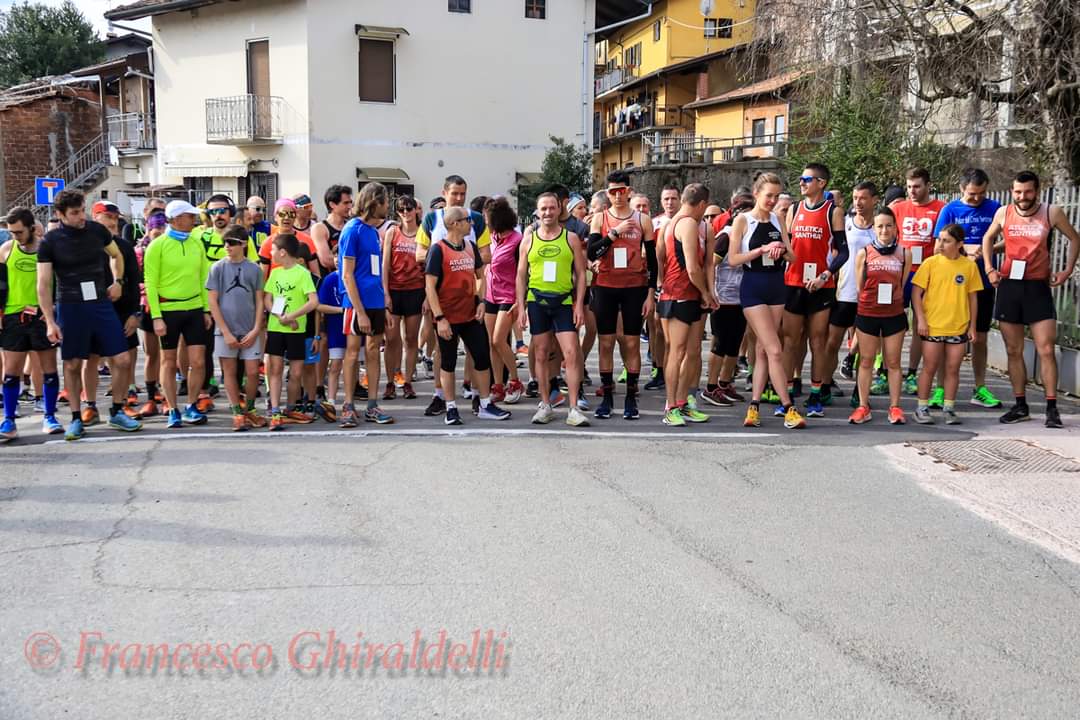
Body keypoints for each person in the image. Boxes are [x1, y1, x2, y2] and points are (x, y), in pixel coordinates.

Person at [36, 189, 142, 440]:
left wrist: (117, 281)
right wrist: (50, 321)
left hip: (100, 302)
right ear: (60, 214)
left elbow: (116, 255)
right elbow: (43, 283)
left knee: (123, 359)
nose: (81, 216)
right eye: (75, 213)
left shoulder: (97, 231)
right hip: (70, 305)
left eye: (82, 210)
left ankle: (117, 411)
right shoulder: (51, 241)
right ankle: (76, 417)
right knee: (73, 364)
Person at [983, 170, 1080, 428]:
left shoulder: (1052, 212)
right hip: (1009, 287)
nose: (1022, 197)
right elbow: (987, 237)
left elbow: (1073, 238)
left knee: (1046, 349)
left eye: (1027, 192)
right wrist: (990, 268)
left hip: (1037, 288)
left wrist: (1067, 270)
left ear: (1036, 191)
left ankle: (1051, 408)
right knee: (1013, 350)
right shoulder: (1004, 212)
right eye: (1017, 192)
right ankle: (1020, 405)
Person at [726, 173, 805, 430]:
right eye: (768, 195)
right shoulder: (743, 220)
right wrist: (760, 250)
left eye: (776, 196)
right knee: (775, 349)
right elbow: (734, 259)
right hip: (753, 287)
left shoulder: (778, 218)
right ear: (756, 193)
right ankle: (788, 407)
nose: (772, 201)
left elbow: (793, 257)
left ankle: (754, 406)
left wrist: (781, 248)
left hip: (776, 286)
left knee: (762, 350)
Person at [425, 206, 510, 424]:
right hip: (448, 317)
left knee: (482, 358)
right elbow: (430, 287)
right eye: (467, 220)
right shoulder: (438, 250)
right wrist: (440, 318)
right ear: (454, 224)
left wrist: (481, 300)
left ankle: (484, 404)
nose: (471, 223)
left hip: (471, 314)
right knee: (448, 362)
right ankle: (450, 408)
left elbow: (480, 276)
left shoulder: (471, 247)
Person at [415, 175, 492, 417]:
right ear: (444, 192)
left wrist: (463, 258)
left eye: (462, 193)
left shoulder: (476, 219)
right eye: (454, 193)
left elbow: (486, 256)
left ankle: (478, 396)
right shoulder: (431, 218)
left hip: (469, 296)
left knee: (476, 349)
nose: (459, 197)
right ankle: (441, 397)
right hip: (440, 296)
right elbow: (419, 254)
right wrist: (443, 257)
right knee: (442, 350)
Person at [587, 170, 655, 420]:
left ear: (629, 191)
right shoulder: (600, 218)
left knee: (631, 343)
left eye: (621, 191)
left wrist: (650, 294)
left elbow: (654, 261)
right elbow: (592, 253)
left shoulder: (642, 220)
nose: (617, 195)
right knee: (605, 343)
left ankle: (630, 397)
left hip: (634, 288)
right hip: (605, 286)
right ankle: (606, 398)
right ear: (608, 193)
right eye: (612, 191)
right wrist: (614, 234)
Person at [933, 168, 1003, 409]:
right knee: (948, 338)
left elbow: (1006, 239)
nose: (977, 198)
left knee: (980, 337)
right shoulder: (950, 210)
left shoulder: (995, 207)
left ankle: (980, 387)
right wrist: (964, 252)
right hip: (954, 284)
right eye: (972, 194)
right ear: (962, 189)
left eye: (982, 193)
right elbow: (938, 247)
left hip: (982, 281)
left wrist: (986, 251)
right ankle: (940, 389)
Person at [783, 163, 848, 418]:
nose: (802, 183)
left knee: (817, 341)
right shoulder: (794, 209)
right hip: (794, 283)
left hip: (821, 285)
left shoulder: (834, 211)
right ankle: (787, 394)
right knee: (790, 340)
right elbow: (787, 244)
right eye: (801, 179)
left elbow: (843, 252)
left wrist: (825, 275)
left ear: (821, 183)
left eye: (807, 179)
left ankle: (816, 393)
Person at [517, 193, 588, 426]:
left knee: (571, 353)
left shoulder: (571, 238)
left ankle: (574, 407)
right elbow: (520, 275)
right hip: (537, 302)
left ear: (560, 210)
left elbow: (580, 274)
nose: (547, 213)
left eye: (551, 208)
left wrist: (579, 304)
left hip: (564, 302)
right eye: (543, 209)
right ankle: (546, 404)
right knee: (540, 354)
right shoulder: (528, 240)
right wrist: (521, 307)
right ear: (537, 212)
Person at [144, 200, 212, 429]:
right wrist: (156, 316)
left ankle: (191, 405)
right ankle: (172, 408)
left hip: (193, 309)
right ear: (176, 219)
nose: (194, 220)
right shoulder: (157, 246)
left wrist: (205, 309)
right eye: (190, 216)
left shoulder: (196, 243)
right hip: (168, 309)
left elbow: (204, 278)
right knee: (168, 362)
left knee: (198, 361)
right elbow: (150, 283)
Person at [656, 183, 717, 425]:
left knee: (692, 352)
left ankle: (682, 403)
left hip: (688, 294)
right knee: (677, 351)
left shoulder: (673, 224)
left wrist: (706, 292)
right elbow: (692, 268)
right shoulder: (687, 223)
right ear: (701, 204)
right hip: (679, 293)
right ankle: (670, 407)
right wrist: (706, 293)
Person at [0, 207, 63, 439]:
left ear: (31, 228)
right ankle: (8, 420)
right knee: (11, 373)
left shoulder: (47, 250)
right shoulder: (6, 250)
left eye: (18, 232)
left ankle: (49, 415)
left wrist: (52, 316)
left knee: (48, 370)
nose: (14, 236)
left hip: (41, 316)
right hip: (13, 317)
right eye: (11, 232)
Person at [911, 224, 982, 425]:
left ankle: (949, 407)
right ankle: (922, 407)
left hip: (958, 327)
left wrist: (972, 326)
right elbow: (916, 293)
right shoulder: (930, 263)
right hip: (933, 326)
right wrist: (921, 319)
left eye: (947, 241)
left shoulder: (969, 267)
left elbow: (972, 298)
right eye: (940, 239)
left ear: (960, 244)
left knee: (953, 369)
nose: (941, 244)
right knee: (929, 367)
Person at [848, 207, 911, 425]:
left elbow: (901, 285)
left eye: (889, 225)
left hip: (893, 314)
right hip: (868, 313)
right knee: (865, 360)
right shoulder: (864, 253)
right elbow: (860, 285)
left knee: (893, 362)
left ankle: (895, 407)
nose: (885, 230)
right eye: (880, 226)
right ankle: (863, 406)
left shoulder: (904, 253)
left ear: (895, 228)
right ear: (874, 229)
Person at [338, 182, 393, 427]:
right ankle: (348, 405)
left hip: (375, 301)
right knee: (352, 352)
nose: (388, 206)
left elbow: (376, 271)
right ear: (375, 202)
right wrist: (359, 312)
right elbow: (347, 274)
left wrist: (385, 304)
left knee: (373, 351)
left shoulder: (373, 232)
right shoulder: (352, 230)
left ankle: (372, 404)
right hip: (355, 303)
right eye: (385, 202)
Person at [890, 167, 946, 395]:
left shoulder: (941, 209)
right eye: (909, 186)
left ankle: (912, 373)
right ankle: (885, 371)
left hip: (928, 274)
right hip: (901, 272)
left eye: (917, 186)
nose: (912, 191)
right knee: (892, 325)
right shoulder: (898, 209)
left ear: (928, 185)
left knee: (921, 327)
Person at [206, 224, 266, 431]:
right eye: (225, 243)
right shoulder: (217, 268)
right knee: (229, 371)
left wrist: (256, 328)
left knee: (251, 372)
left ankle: (250, 409)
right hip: (225, 330)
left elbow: (259, 300)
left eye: (231, 243)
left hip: (249, 328)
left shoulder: (254, 269)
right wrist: (225, 331)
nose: (227, 247)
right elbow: (212, 301)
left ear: (242, 244)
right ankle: (236, 412)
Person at [825, 182, 878, 403]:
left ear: (874, 200)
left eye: (863, 198)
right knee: (832, 343)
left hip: (870, 296)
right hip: (844, 292)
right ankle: (825, 385)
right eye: (855, 198)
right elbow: (833, 253)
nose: (858, 202)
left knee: (866, 348)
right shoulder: (845, 224)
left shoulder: (881, 227)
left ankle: (860, 390)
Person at [263, 233, 319, 430]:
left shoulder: (302, 273)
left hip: (297, 330)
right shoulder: (275, 273)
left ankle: (290, 408)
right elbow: (267, 299)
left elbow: (313, 302)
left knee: (296, 372)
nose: (271, 253)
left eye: (273, 250)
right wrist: (281, 317)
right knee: (276, 369)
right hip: (277, 327)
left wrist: (294, 316)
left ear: (283, 252)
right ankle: (276, 410)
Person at [703, 195, 752, 407]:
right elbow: (711, 264)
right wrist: (710, 292)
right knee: (721, 345)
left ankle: (724, 383)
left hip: (740, 298)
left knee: (734, 345)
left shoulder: (748, 236)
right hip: (722, 298)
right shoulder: (727, 236)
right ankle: (711, 387)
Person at [382, 194, 425, 400]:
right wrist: (386, 293)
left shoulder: (424, 233)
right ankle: (390, 381)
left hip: (416, 289)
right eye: (401, 210)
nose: (406, 213)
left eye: (409, 208)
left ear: (416, 210)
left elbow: (429, 266)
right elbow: (385, 264)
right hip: (395, 288)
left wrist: (427, 296)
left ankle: (408, 380)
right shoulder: (392, 232)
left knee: (410, 338)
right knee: (391, 338)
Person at [483, 197, 524, 404]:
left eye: (487, 216)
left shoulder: (517, 240)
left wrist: (521, 300)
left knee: (500, 339)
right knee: (492, 343)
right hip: (491, 294)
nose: (485, 220)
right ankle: (497, 385)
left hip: (509, 296)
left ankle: (515, 381)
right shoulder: (491, 237)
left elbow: (524, 272)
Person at [134, 210, 167, 416]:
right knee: (151, 354)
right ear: (147, 227)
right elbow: (135, 279)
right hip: (146, 305)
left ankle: (165, 395)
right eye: (155, 228)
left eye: (162, 227)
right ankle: (150, 395)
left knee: (167, 355)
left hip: (167, 304)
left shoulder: (167, 247)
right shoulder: (139, 251)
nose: (159, 231)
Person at [316, 268, 345, 416]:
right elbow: (319, 305)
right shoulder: (329, 279)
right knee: (335, 365)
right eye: (335, 255)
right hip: (335, 328)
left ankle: (348, 402)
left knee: (351, 366)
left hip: (354, 327)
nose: (337, 259)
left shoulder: (357, 274)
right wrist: (341, 310)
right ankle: (331, 401)